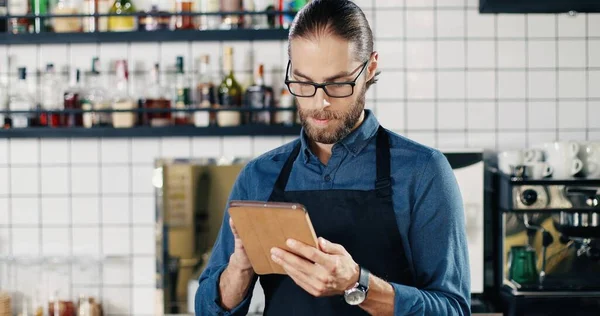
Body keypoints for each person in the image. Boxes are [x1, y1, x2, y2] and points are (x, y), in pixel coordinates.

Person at [195, 0, 471, 315]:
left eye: (337, 84)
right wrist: (240, 269)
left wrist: (357, 284)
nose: (320, 102)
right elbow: (207, 309)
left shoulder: (423, 172)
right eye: (303, 83)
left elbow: (453, 309)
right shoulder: (258, 176)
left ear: (369, 68)